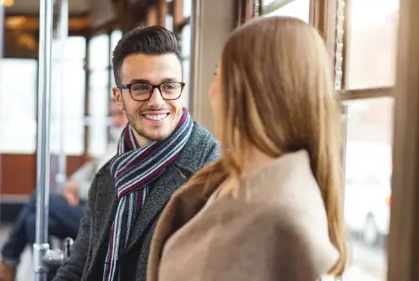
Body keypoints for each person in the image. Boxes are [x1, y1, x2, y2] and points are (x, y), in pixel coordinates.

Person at [147, 16, 348, 281]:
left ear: (256, 93)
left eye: (221, 75)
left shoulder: (279, 217)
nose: (212, 92)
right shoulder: (230, 184)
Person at [53, 26, 220, 281]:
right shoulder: (108, 177)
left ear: (181, 90)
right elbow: (78, 267)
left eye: (169, 86)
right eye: (141, 88)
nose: (157, 101)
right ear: (118, 98)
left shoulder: (212, 173)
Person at [0, 101, 127, 281]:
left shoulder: (128, 143)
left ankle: (8, 260)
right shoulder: (116, 140)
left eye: (120, 114)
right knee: (34, 220)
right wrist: (72, 183)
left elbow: (111, 187)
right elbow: (92, 168)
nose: (115, 120)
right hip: (86, 204)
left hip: (101, 217)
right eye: (112, 114)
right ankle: (51, 276)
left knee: (38, 200)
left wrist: (77, 189)